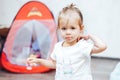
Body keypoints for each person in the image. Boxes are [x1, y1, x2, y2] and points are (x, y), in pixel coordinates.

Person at [27, 3, 107, 80]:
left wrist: (89, 36)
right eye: (64, 28)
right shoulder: (58, 47)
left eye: (72, 28)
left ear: (81, 28)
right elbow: (54, 64)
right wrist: (39, 61)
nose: (68, 32)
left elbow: (102, 47)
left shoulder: (82, 46)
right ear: (59, 29)